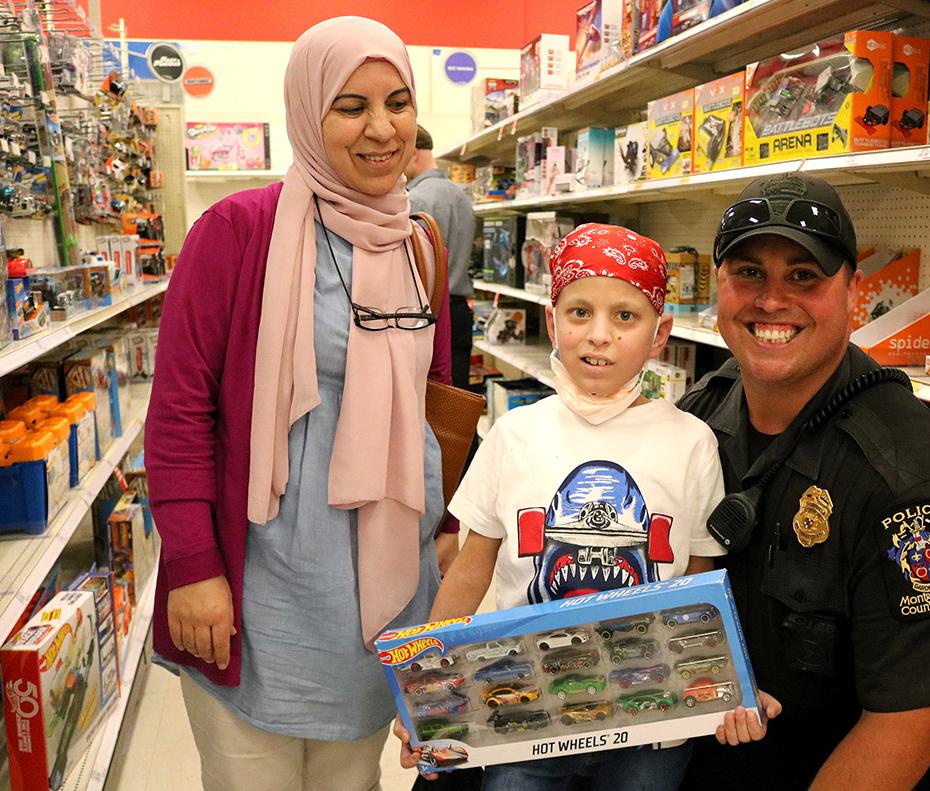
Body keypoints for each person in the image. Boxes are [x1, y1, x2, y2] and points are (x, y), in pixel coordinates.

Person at [144, 17, 454, 791]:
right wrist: (192, 566)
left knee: (354, 777)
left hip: (383, 577)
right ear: (308, 113)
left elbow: (437, 399)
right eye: (350, 106)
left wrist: (450, 533)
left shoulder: (419, 244)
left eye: (398, 101)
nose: (381, 129)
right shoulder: (237, 232)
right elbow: (181, 410)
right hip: (261, 576)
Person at [396, 223, 779, 788]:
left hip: (653, 725)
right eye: (579, 313)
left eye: (625, 316)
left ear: (660, 334)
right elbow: (470, 568)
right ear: (552, 321)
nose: (599, 335)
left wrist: (727, 680)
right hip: (524, 717)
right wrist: (423, 685)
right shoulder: (513, 434)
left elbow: (699, 583)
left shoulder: (692, 441)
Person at [677, 174, 930, 790]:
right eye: (748, 273)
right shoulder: (698, 414)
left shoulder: (905, 473)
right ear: (719, 287)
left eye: (804, 276)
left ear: (853, 290)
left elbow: (906, 723)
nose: (771, 300)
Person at [406, 124, 477, 393]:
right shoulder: (462, 197)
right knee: (457, 398)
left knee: (428, 399)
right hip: (460, 310)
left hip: (429, 312)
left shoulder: (414, 200)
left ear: (414, 153)